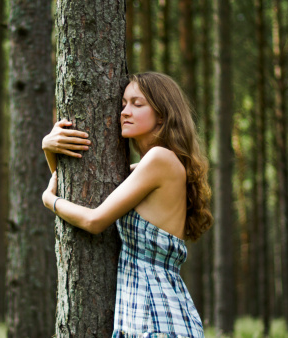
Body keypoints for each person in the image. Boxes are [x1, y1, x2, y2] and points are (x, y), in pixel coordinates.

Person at [41, 72, 213, 337]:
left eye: (137, 104)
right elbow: (76, 190)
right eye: (123, 104)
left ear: (163, 115)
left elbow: (93, 220)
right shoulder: (148, 168)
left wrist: (50, 201)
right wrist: (49, 149)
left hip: (157, 317)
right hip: (148, 313)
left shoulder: (159, 159)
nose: (125, 112)